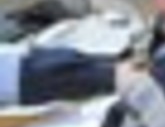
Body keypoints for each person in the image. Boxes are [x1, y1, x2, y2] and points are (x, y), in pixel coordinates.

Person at [0, 44, 135, 106]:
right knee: (102, 73)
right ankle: (137, 71)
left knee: (100, 69)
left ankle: (135, 68)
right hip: (24, 75)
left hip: (24, 64)